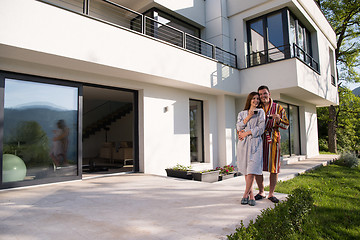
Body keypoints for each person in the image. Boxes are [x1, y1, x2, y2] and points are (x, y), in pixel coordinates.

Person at [254, 85, 289, 203]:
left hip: (273, 140)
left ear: (269, 94)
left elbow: (286, 125)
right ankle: (261, 191)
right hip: (258, 140)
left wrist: (278, 120)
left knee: (274, 168)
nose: (262, 96)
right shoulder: (256, 107)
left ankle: (271, 194)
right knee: (257, 167)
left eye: (265, 93)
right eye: (260, 94)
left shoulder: (278, 108)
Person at [236, 92, 265, 206]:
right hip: (243, 145)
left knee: (252, 170)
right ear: (249, 100)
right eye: (254, 98)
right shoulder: (242, 113)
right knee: (247, 170)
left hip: (255, 143)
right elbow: (238, 127)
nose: (256, 101)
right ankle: (251, 195)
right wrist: (248, 116)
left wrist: (246, 133)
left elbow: (261, 128)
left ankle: (245, 194)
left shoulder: (261, 112)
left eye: (258, 99)